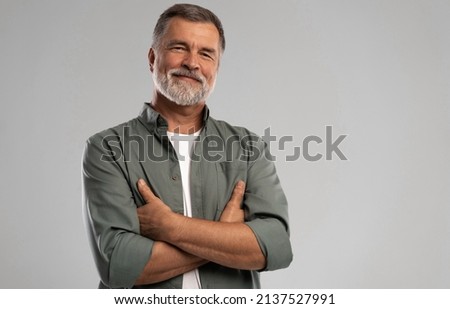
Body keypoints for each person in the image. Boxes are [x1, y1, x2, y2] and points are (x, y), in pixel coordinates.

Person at [82, 3, 292, 289]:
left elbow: (275, 246)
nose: (192, 63)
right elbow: (118, 265)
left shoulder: (249, 148)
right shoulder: (107, 148)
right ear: (152, 57)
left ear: (216, 67)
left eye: (206, 53)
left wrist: (171, 227)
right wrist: (227, 236)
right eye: (179, 48)